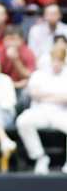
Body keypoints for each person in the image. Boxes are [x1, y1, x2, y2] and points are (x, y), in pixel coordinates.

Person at [16, 45, 67, 174]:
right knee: (22, 121)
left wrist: (45, 96)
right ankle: (40, 157)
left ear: (64, 60)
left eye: (59, 60)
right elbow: (34, 94)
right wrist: (57, 96)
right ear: (50, 59)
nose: (56, 63)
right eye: (54, 60)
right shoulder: (39, 74)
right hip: (40, 112)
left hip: (60, 113)